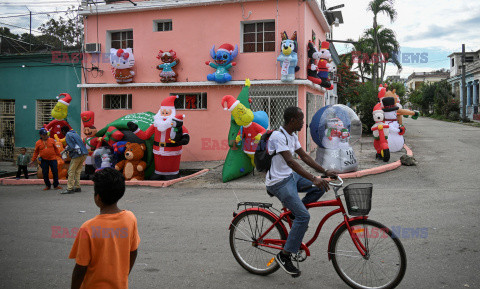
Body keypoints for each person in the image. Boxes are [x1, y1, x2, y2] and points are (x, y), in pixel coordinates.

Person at [267, 107, 336, 276]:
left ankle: (293, 214)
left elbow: (304, 157)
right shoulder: (278, 136)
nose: (303, 123)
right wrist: (313, 178)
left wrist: (324, 172)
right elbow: (291, 162)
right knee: (304, 216)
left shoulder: (292, 136)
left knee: (320, 187)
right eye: (301, 120)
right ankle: (284, 256)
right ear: (292, 121)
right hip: (279, 183)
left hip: (290, 177)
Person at [69, 168, 140, 289]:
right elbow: (133, 251)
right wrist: (124, 274)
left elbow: (81, 267)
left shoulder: (88, 228)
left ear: (98, 198)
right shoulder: (130, 218)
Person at [60, 126, 88, 194]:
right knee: (77, 171)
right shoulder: (75, 133)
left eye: (62, 132)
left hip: (77, 155)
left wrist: (66, 151)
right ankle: (77, 187)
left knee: (71, 171)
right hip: (84, 154)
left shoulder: (68, 135)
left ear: (63, 131)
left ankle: (70, 188)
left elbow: (72, 146)